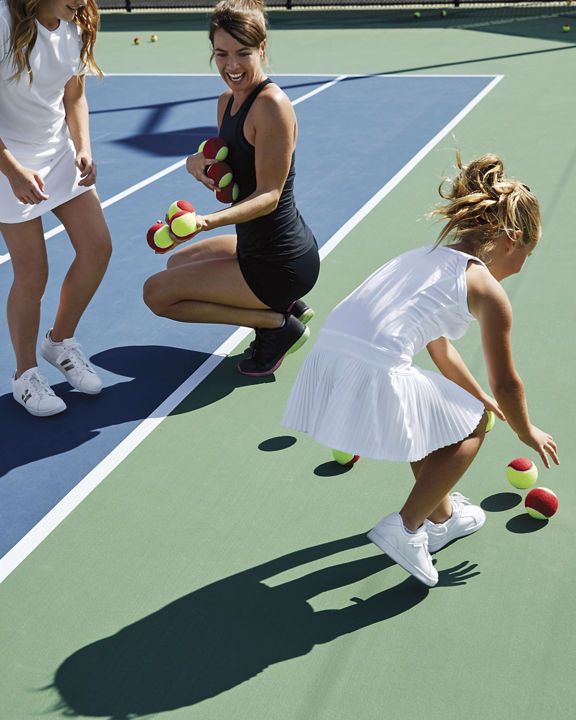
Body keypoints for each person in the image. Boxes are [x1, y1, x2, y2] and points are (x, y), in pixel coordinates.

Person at [282, 153, 559, 587]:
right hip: (373, 366)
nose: (522, 265)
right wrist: (526, 430)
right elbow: (507, 382)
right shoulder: (485, 288)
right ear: (512, 238)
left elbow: (439, 348)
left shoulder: (426, 257)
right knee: (471, 426)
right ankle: (407, 526)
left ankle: (442, 516)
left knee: (432, 412)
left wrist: (476, 394)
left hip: (331, 353)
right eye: (527, 253)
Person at [143, 0, 320, 377]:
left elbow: (269, 195)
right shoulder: (226, 102)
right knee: (177, 262)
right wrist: (197, 164)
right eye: (222, 54)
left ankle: (276, 324)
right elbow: (235, 171)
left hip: (281, 262)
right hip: (254, 244)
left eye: (243, 53)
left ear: (262, 49)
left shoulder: (272, 105)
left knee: (156, 294)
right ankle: (287, 307)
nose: (232, 66)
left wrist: (206, 222)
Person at [0, 0, 112, 417]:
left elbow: (74, 96)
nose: (84, 1)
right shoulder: (3, 22)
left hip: (58, 153)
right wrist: (12, 171)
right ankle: (24, 375)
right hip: (7, 159)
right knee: (33, 272)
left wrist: (82, 146)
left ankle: (59, 342)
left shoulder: (77, 23)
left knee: (98, 247)